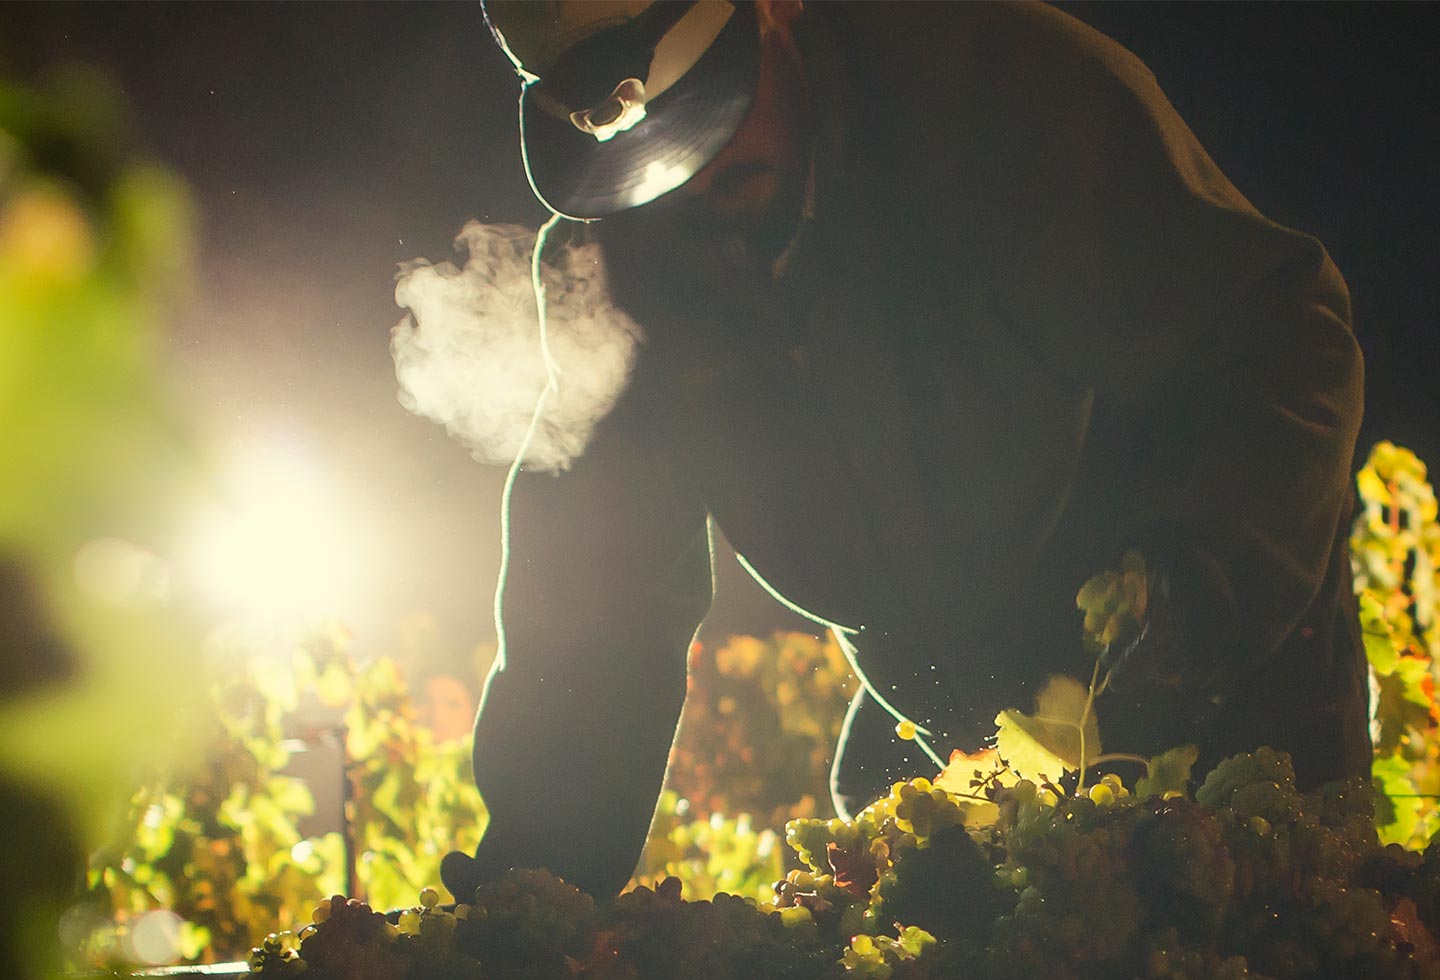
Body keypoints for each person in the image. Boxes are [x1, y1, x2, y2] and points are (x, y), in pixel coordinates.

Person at [440, 0, 1368, 903]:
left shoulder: (1002, 93)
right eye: (646, 162)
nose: (692, 178)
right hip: (956, 736)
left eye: (709, 118)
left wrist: (1200, 602)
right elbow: (597, 594)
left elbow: (1283, 341)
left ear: (777, 11)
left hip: (1232, 680)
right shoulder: (631, 267)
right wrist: (536, 890)